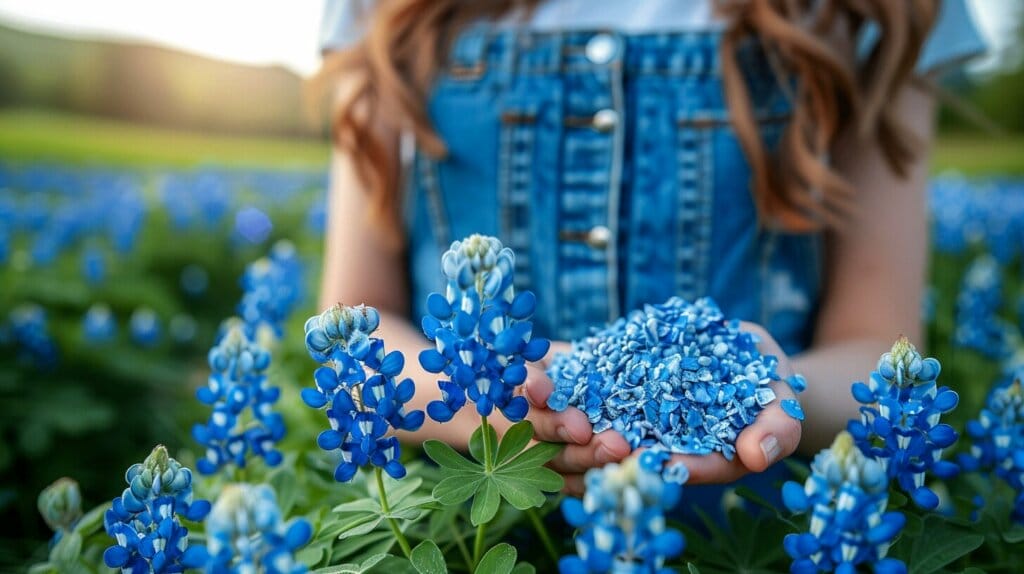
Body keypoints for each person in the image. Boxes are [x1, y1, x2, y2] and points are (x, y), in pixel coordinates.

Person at [314, 0, 986, 495]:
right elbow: (351, 327)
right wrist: (484, 402)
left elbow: (884, 353)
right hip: (462, 512)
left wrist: (778, 394)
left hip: (761, 516)